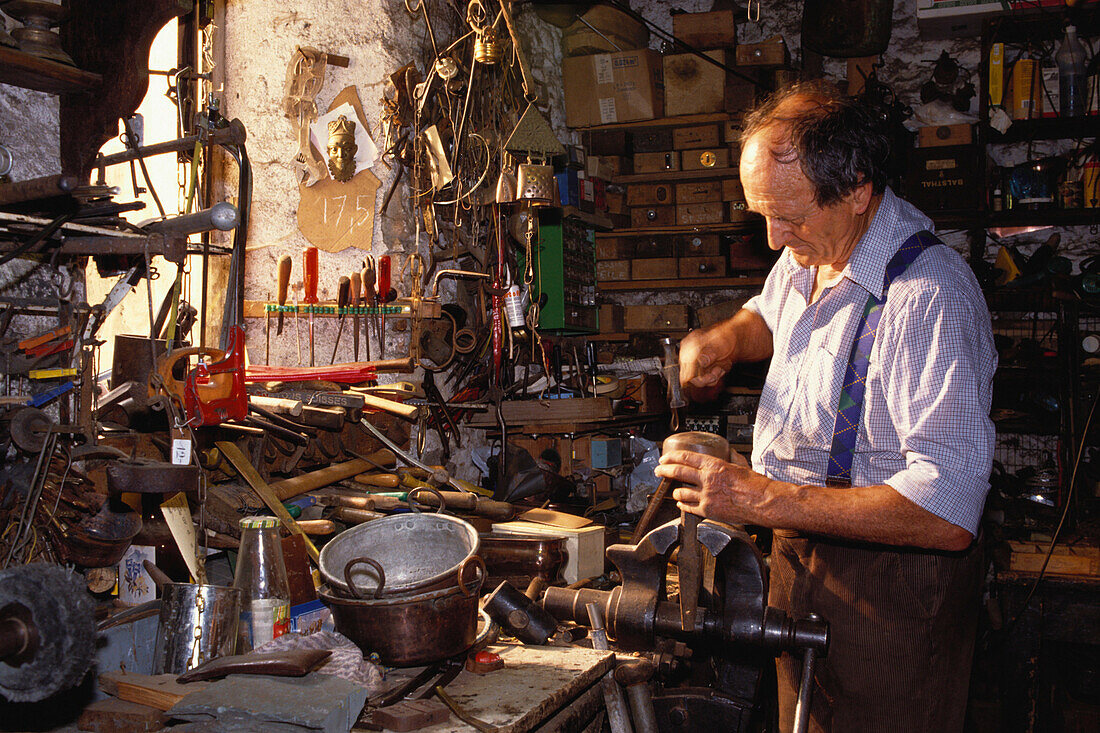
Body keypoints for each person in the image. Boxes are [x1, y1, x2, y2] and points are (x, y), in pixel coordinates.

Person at [654, 82, 996, 732]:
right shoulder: (811, 251)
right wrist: (727, 338)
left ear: (858, 191)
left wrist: (758, 499)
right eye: (762, 214)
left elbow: (947, 510)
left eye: (789, 216)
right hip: (798, 563)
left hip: (890, 588)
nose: (774, 238)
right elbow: (770, 313)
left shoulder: (929, 298)